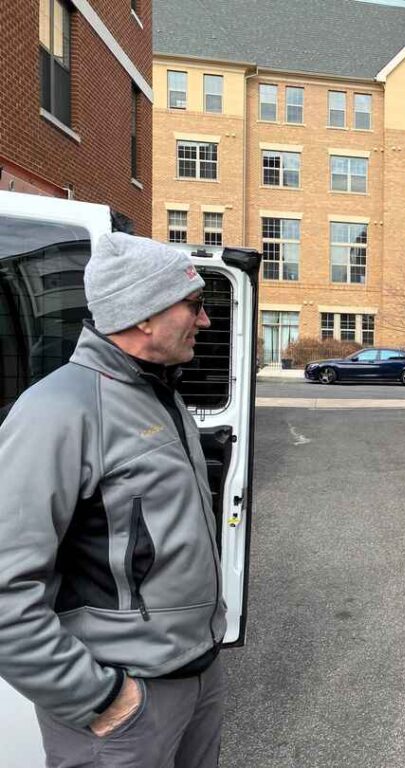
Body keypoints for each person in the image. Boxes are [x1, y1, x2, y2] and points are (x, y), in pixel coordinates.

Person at [0, 232, 227, 767]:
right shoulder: (58, 411)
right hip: (123, 703)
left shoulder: (159, 394)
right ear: (143, 314)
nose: (205, 321)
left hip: (196, 678)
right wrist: (99, 698)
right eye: (194, 305)